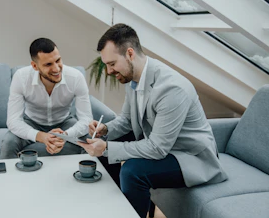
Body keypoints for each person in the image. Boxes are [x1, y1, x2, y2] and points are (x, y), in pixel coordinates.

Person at [77, 24, 228, 218]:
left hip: (190, 156)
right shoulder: (132, 79)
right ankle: (116, 206)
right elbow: (126, 120)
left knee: (133, 171)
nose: (108, 71)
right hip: (166, 145)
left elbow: (157, 148)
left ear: (130, 54)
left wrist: (105, 148)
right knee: (112, 143)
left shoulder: (171, 88)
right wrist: (104, 130)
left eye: (112, 63)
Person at [0, 38, 92, 159]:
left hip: (64, 122)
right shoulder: (21, 78)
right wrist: (41, 136)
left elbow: (86, 120)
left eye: (58, 60)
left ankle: (85, 176)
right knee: (9, 142)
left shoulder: (76, 78)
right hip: (32, 122)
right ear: (35, 66)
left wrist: (65, 135)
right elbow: (13, 121)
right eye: (48, 64)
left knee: (90, 140)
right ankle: (8, 178)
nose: (56, 69)